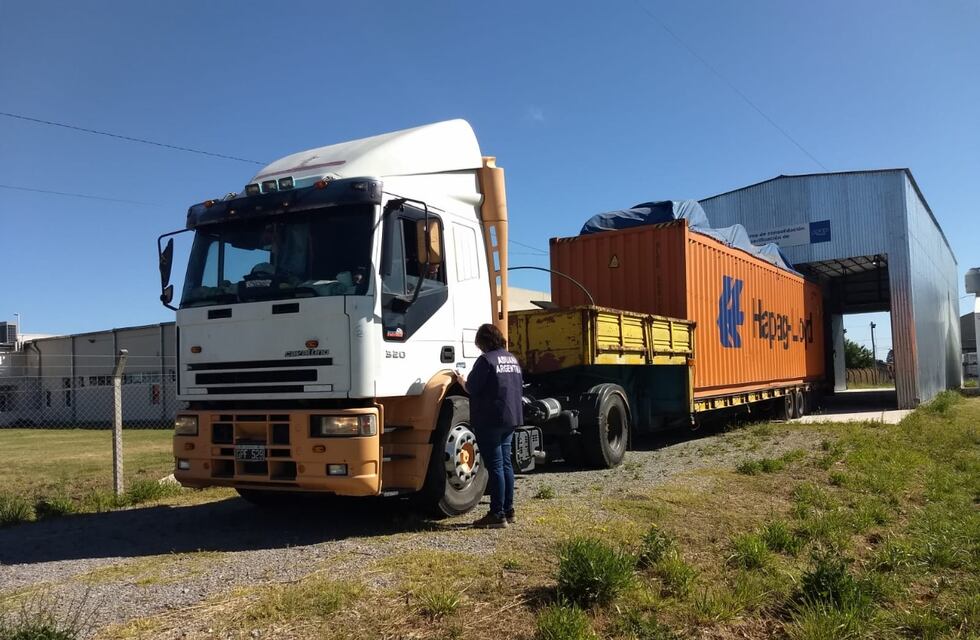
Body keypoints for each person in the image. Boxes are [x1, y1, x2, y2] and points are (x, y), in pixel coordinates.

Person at [461, 323, 524, 529]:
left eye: (479, 342)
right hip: (511, 418)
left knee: (495, 466)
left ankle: (497, 514)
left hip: (490, 420)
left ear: (484, 341)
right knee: (506, 464)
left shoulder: (486, 360)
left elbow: (472, 387)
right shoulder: (512, 359)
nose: (478, 347)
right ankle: (509, 509)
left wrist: (461, 380)